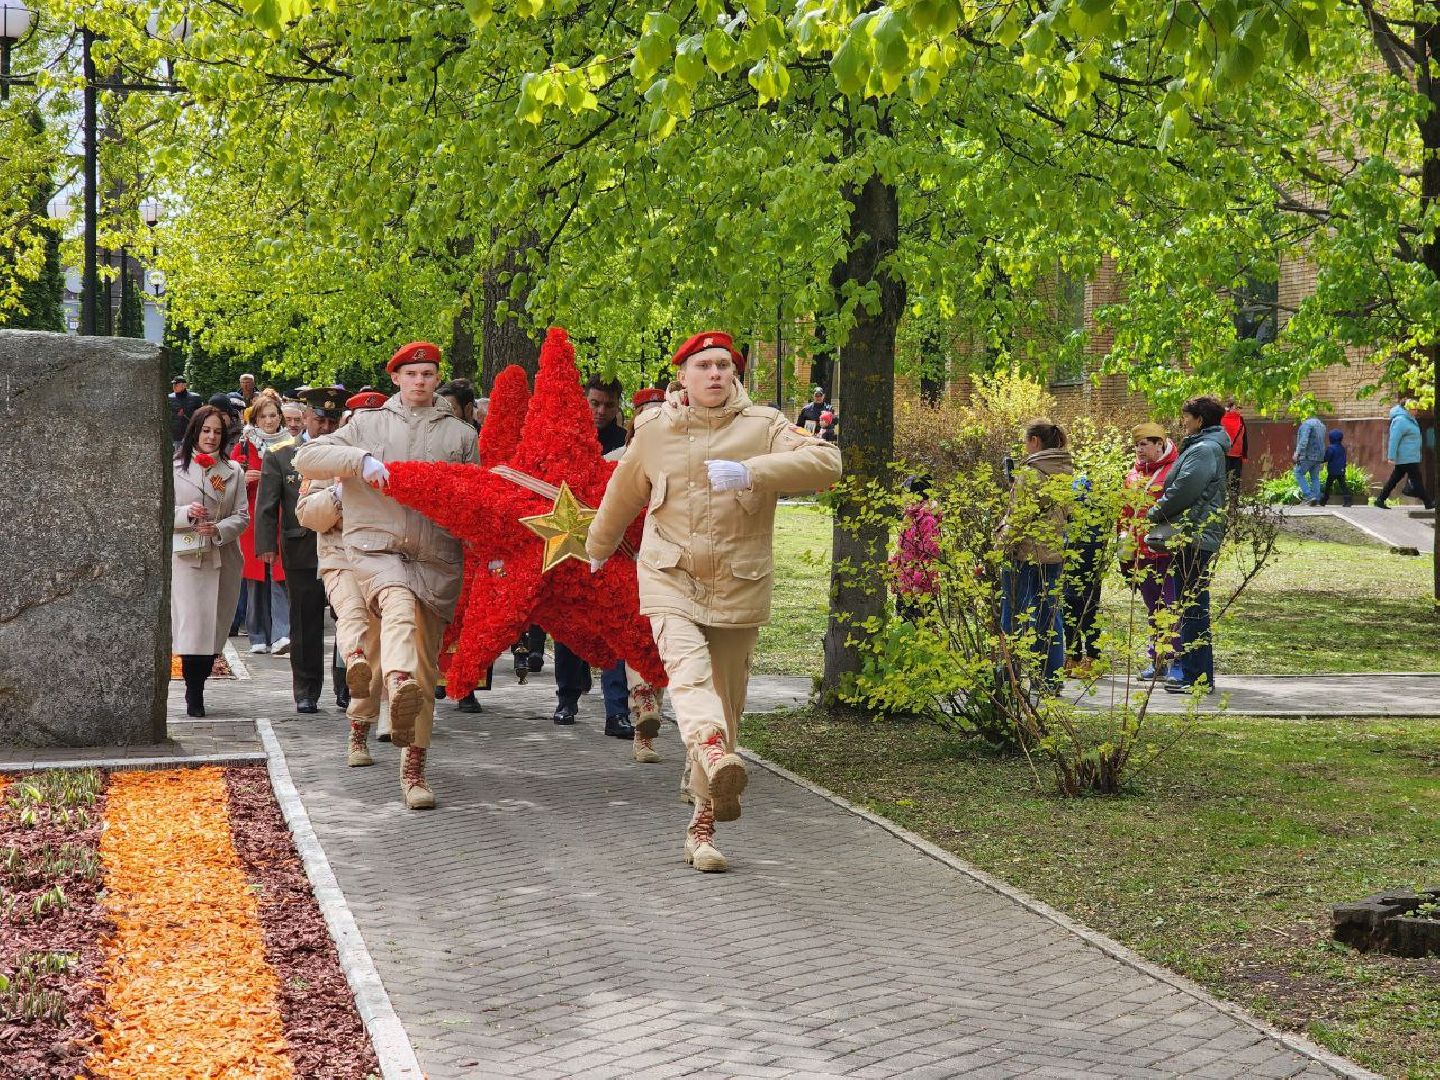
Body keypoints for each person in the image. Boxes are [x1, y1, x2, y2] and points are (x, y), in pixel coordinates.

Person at [587, 330, 842, 873]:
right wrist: (597, 548)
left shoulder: (765, 426)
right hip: (668, 576)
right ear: (681, 375)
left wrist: (754, 470)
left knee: (727, 703)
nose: (716, 374)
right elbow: (623, 492)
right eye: (703, 365)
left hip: (738, 583)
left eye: (725, 365)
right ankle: (706, 759)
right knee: (688, 673)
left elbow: (827, 463)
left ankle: (702, 820)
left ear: (736, 374)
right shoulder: (654, 430)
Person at [295, 341, 479, 809]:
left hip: (436, 558)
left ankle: (412, 760)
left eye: (429, 374)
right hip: (374, 548)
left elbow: (474, 499)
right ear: (396, 378)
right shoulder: (366, 424)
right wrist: (357, 462)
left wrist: (489, 548)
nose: (421, 381)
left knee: (426, 665)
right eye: (412, 373)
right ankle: (393, 691)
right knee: (394, 611)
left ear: (438, 379)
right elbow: (308, 458)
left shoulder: (460, 435)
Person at [297, 389, 388, 763]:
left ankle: (371, 721)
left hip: (385, 557)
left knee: (385, 640)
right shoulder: (331, 459)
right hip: (341, 558)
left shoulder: (388, 459)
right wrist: (337, 492)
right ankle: (353, 663)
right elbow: (309, 517)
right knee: (353, 622)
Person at [256, 388, 342, 714]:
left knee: (348, 621)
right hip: (301, 548)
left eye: (332, 420)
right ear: (305, 417)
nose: (326, 426)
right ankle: (306, 691)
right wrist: (266, 546)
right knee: (305, 624)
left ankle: (347, 687)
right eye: (320, 419)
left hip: (343, 548)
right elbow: (268, 505)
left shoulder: (348, 450)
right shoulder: (281, 453)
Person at [1147, 396, 1231, 693]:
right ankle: (1196, 675)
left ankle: (1196, 677)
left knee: (1193, 607)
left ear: (1200, 419)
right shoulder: (1203, 446)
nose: (1184, 421)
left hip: (1195, 536)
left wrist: (1155, 512)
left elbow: (1185, 489)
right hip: (1193, 535)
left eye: (1187, 417)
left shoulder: (1205, 449)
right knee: (1190, 604)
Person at [171, 406, 249, 717]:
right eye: (206, 430)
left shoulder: (234, 471)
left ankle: (201, 678)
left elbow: (242, 516)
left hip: (222, 556)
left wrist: (218, 528)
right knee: (193, 627)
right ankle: (194, 692)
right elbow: (158, 509)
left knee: (214, 628)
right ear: (195, 431)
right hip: (187, 558)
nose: (211, 437)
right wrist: (186, 514)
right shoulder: (174, 467)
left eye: (217, 431)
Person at [996, 419, 1073, 690]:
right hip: (1053, 554)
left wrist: (999, 547)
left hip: (1026, 555)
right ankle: (1050, 678)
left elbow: (1018, 519)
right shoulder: (1064, 471)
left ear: (1035, 442)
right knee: (1050, 615)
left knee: (1013, 613)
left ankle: (1008, 676)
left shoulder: (1030, 473)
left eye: (1025, 441)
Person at [232, 394, 292, 656]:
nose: (268, 421)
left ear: (280, 417)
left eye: (273, 415)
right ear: (255, 419)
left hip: (281, 516)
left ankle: (282, 633)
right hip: (253, 517)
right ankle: (258, 633)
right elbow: (227, 479)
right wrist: (243, 478)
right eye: (263, 416)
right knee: (256, 578)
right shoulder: (244, 447)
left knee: (280, 575)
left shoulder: (290, 445)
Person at [1118, 423, 1179, 679]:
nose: (1139, 450)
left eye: (1145, 444)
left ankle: (1176, 661)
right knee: (1153, 608)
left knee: (1172, 606)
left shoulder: (1174, 470)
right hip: (1141, 554)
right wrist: (1122, 542)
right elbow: (1125, 512)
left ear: (1159, 444)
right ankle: (1157, 659)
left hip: (1166, 552)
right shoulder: (1133, 475)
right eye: (1137, 445)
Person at [1374, 400, 1434, 509]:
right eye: (1414, 409)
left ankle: (1380, 499)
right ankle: (1428, 502)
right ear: (1407, 408)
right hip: (1406, 457)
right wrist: (1391, 457)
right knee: (1417, 479)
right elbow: (1394, 439)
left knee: (1394, 479)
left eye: (1416, 409)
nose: (1416, 411)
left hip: (1410, 456)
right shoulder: (1400, 420)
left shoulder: (1410, 419)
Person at [1292, 410, 1327, 506]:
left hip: (1307, 455)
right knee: (1315, 477)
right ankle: (1316, 498)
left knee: (1298, 473)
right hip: (1319, 457)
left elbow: (1304, 440)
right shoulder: (1322, 426)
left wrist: (1297, 453)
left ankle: (1309, 496)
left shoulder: (1307, 425)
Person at [1220, 397, 1248, 500]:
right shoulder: (1222, 419)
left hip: (1238, 454)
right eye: (1237, 407)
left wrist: (1245, 454)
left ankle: (1235, 500)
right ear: (1230, 407)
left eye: (1240, 408)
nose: (1239, 410)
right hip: (1225, 454)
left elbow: (1244, 437)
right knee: (1225, 478)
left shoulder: (1240, 419)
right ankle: (1224, 500)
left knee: (1236, 479)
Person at [168, 375, 203, 446]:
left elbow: (200, 416)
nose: (174, 386)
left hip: (190, 434)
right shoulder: (169, 398)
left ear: (184, 385)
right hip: (174, 436)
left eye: (176, 384)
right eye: (173, 384)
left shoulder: (195, 398)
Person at [1320, 428, 1352, 507]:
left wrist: (1320, 460)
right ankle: (1347, 501)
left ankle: (1324, 500)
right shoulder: (1342, 448)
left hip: (1332, 471)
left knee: (1328, 486)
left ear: (1331, 438)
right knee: (1343, 485)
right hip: (1341, 470)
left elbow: (1327, 457)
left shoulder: (1331, 448)